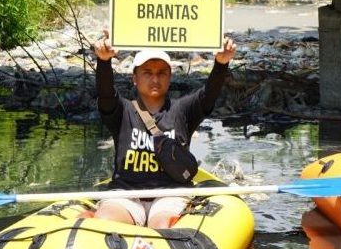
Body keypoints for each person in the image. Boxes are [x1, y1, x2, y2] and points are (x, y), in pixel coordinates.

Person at [92, 30, 236, 228]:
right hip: (126, 195)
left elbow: (208, 95)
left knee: (162, 226)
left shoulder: (183, 110)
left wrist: (221, 63)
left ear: (169, 77)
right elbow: (106, 94)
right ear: (134, 77)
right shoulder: (121, 110)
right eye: (147, 73)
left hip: (170, 195)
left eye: (161, 73)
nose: (155, 79)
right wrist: (103, 61)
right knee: (105, 221)